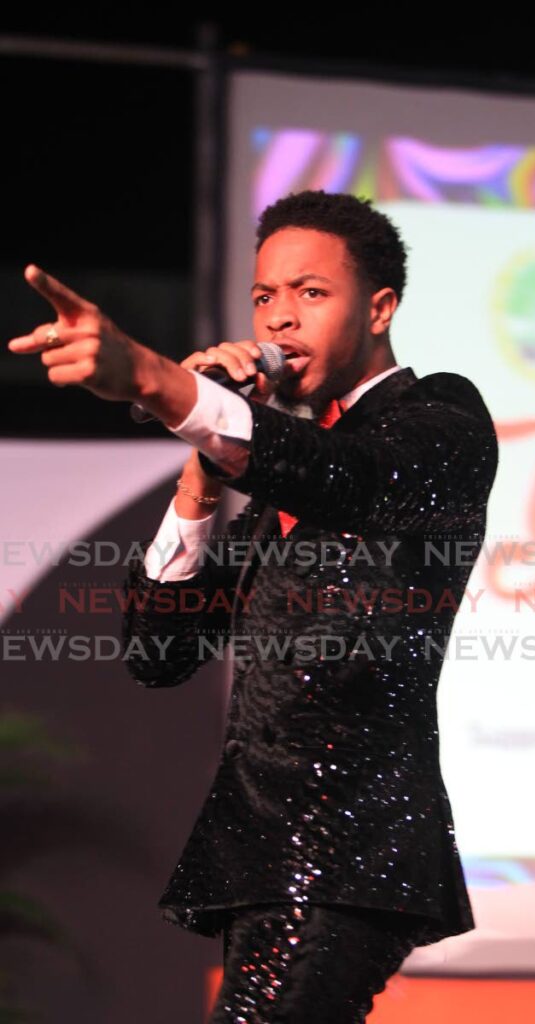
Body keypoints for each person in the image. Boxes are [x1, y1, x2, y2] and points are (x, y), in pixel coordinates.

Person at [8, 190, 498, 1022]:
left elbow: (350, 479)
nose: (279, 320)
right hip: (261, 842)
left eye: (310, 293)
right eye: (264, 297)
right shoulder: (272, 494)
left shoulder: (440, 418)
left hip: (350, 839)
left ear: (378, 308)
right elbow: (159, 654)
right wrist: (201, 468)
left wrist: (161, 384)